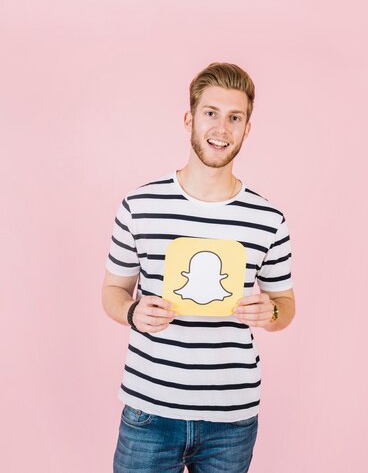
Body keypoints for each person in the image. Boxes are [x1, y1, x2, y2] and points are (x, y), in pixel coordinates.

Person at [102, 63, 295, 473]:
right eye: (211, 113)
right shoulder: (140, 205)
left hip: (232, 418)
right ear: (190, 118)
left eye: (234, 117)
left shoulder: (268, 219)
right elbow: (113, 291)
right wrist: (133, 312)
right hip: (149, 411)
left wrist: (272, 313)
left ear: (247, 128)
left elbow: (285, 304)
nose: (221, 128)